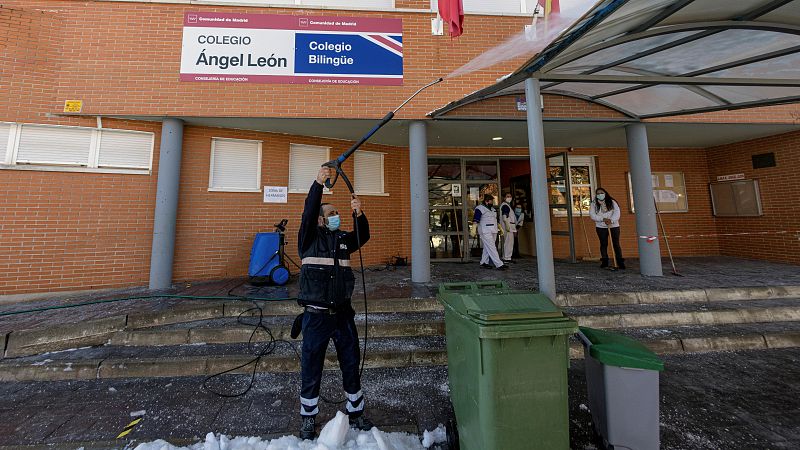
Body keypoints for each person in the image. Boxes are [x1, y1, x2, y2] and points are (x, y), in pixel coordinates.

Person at [296, 166, 372, 440]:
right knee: (311, 366)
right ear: (319, 219)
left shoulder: (342, 240)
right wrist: (318, 183)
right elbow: (308, 211)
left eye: (338, 213)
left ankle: (357, 412)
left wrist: (359, 214)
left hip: (343, 315)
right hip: (316, 316)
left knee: (351, 363)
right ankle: (308, 419)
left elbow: (362, 236)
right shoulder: (308, 238)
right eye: (331, 214)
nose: (336, 217)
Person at [589, 187, 625, 269]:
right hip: (600, 226)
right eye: (598, 193)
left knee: (616, 243)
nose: (600, 195)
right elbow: (592, 215)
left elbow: (617, 212)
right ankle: (604, 262)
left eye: (601, 193)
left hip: (614, 226)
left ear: (605, 193)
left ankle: (620, 262)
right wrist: (602, 219)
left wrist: (611, 220)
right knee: (603, 244)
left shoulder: (612, 202)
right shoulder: (594, 203)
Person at [473, 193, 508, 270]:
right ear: (486, 201)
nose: (493, 202)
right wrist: (473, 228)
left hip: (493, 230)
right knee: (492, 247)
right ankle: (499, 264)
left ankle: (484, 262)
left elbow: (495, 220)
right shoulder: (480, 208)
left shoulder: (493, 209)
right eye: (491, 201)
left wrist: (500, 228)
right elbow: (476, 219)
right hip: (485, 230)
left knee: (487, 247)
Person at [499, 193, 517, 263]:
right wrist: (506, 225)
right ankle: (507, 258)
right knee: (509, 242)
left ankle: (506, 257)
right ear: (504, 198)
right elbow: (504, 216)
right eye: (507, 196)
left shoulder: (507, 206)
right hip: (508, 227)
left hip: (508, 226)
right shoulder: (505, 206)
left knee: (507, 242)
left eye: (510, 196)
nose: (509, 198)